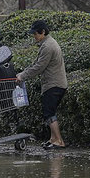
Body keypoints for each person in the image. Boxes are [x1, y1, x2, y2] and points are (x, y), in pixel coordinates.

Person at [16, 20, 68, 149]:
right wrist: (23, 73)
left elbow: (39, 67)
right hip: (53, 83)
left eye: (35, 33)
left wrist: (23, 76)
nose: (34, 36)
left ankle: (59, 141)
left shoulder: (48, 46)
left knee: (49, 113)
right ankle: (53, 138)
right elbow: (36, 63)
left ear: (43, 32)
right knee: (49, 112)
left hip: (54, 84)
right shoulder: (47, 44)